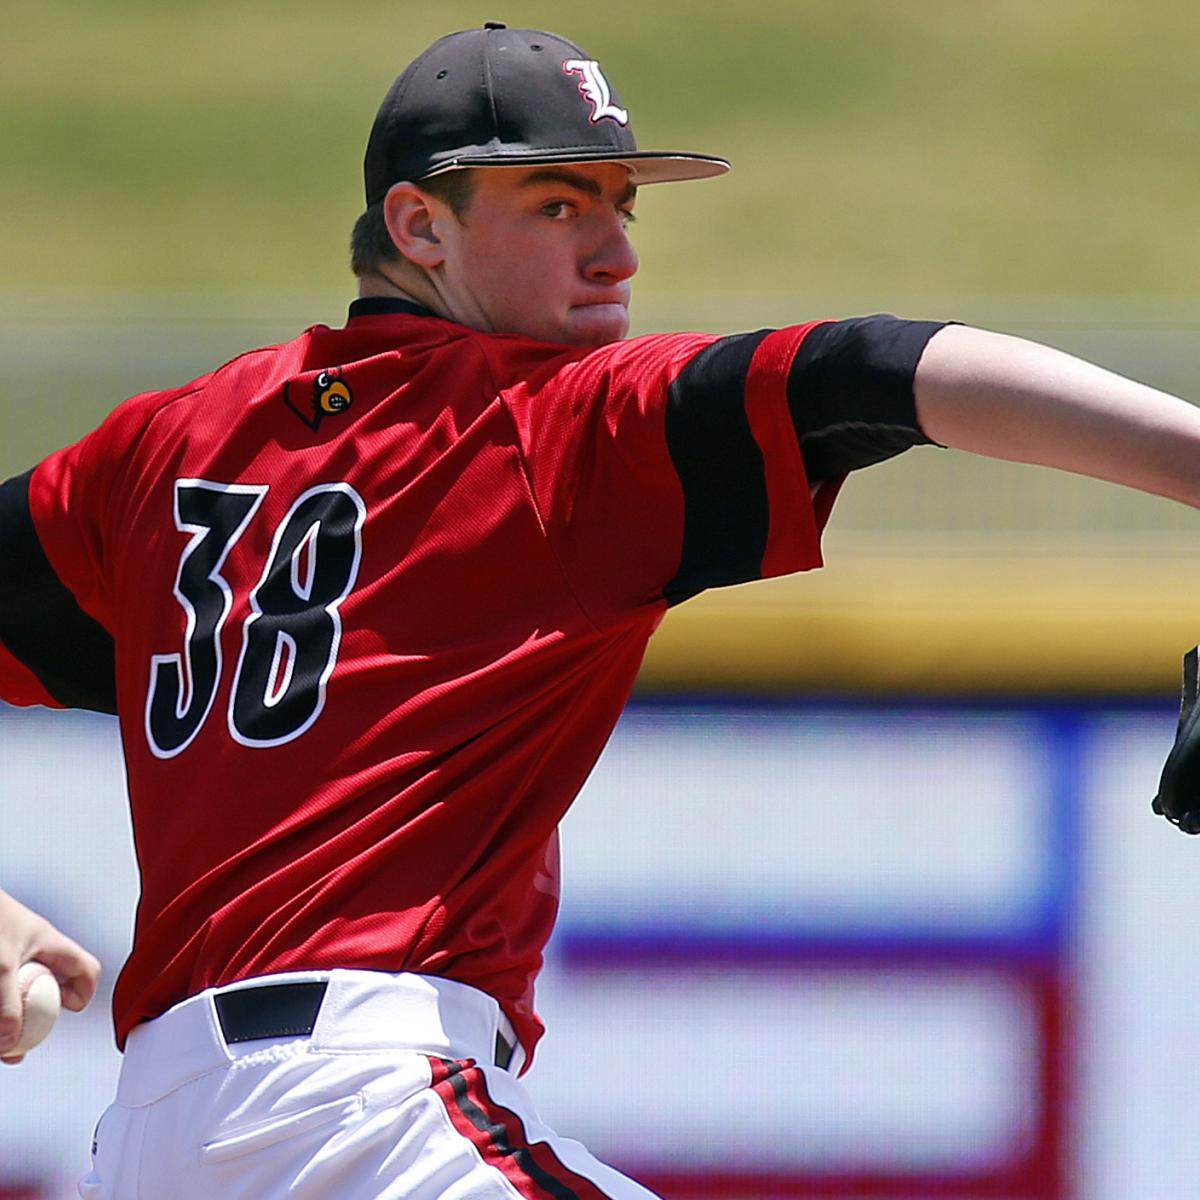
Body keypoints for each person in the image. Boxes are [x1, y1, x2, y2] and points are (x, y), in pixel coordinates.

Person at [2, 20, 1200, 1200]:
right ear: (420, 225)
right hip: (367, 1121)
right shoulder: (549, 428)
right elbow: (884, 371)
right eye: (557, 205)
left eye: (624, 206)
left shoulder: (162, 446)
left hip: (151, 1143)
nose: (617, 251)